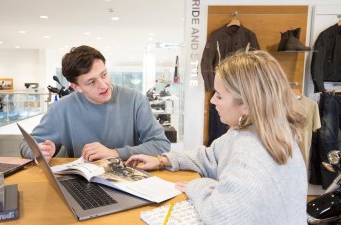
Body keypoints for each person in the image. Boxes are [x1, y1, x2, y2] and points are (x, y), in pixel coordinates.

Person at [126, 50, 308, 225]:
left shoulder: (252, 153)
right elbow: (210, 157)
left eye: (219, 96)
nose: (212, 101)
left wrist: (197, 186)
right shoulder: (250, 133)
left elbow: (222, 215)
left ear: (246, 105)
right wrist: (162, 160)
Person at [20, 45, 170, 162]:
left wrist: (115, 153)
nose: (103, 85)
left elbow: (161, 144)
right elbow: (27, 144)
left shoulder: (136, 100)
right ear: (76, 87)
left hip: (130, 180)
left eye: (104, 75)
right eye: (92, 82)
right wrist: (39, 151)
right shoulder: (61, 109)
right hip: (82, 185)